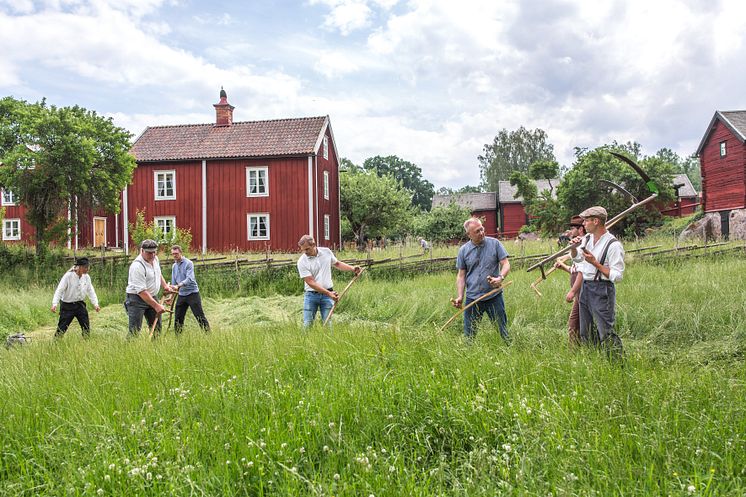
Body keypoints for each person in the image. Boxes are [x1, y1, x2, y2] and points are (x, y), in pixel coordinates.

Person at [570, 206, 625, 355]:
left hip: (602, 289)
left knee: (605, 332)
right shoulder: (587, 239)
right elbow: (578, 259)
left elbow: (617, 276)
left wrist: (596, 263)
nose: (584, 224)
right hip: (586, 287)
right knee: (585, 331)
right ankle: (592, 362)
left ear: (596, 221)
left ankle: (617, 365)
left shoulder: (613, 245)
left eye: (586, 221)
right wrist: (574, 248)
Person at [453, 218, 511, 341]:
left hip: (493, 296)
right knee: (469, 335)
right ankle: (468, 357)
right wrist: (459, 296)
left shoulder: (495, 244)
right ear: (469, 234)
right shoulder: (463, 251)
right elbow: (461, 275)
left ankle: (509, 351)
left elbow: (506, 264)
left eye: (482, 229)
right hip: (473, 299)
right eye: (477, 231)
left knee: (503, 331)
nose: (482, 232)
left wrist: (500, 278)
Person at [296, 234, 361, 327]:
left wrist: (353, 268)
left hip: (328, 295)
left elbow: (337, 264)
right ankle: (305, 341)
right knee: (307, 325)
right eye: (303, 249)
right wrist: (329, 294)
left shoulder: (326, 252)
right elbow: (310, 282)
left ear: (314, 245)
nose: (304, 252)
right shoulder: (302, 261)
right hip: (311, 296)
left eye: (307, 249)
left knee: (327, 324)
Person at [124, 239, 173, 337]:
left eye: (154, 252)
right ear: (142, 251)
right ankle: (129, 350)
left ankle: (155, 350)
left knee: (157, 328)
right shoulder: (137, 266)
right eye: (149, 253)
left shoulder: (155, 259)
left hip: (152, 296)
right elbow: (141, 291)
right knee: (134, 330)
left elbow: (158, 273)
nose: (152, 255)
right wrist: (156, 306)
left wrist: (165, 286)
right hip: (137, 299)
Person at [554, 215, 587, 345]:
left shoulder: (584, 245)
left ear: (580, 229)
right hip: (579, 291)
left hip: (582, 290)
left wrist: (572, 291)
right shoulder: (577, 244)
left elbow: (582, 271)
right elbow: (575, 269)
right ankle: (580, 347)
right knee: (578, 322)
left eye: (573, 228)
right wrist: (563, 267)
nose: (571, 231)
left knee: (574, 322)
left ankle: (576, 350)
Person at [51, 257, 100, 338]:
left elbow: (90, 291)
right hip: (67, 306)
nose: (87, 269)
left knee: (86, 326)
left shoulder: (86, 277)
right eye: (85, 267)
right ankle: (56, 343)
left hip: (80, 305)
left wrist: (96, 304)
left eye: (88, 267)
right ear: (79, 267)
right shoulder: (68, 276)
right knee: (62, 328)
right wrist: (54, 304)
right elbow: (59, 290)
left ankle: (86, 342)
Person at [170, 244, 210, 334]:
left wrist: (179, 285)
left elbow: (189, 279)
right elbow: (173, 284)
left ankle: (208, 334)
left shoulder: (188, 263)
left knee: (199, 316)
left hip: (192, 293)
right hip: (182, 294)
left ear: (181, 253)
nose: (174, 256)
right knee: (178, 318)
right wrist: (171, 298)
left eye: (176, 253)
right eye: (173, 254)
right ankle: (178, 338)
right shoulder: (174, 266)